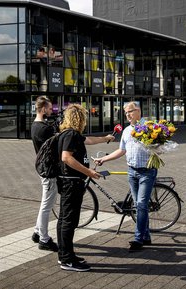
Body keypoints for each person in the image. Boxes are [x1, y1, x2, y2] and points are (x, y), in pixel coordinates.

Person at [56, 104, 114, 272]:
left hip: (70, 182)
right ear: (80, 119)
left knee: (66, 219)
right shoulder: (71, 135)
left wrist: (105, 138)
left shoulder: (69, 134)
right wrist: (88, 171)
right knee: (69, 220)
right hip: (71, 183)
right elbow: (66, 158)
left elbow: (89, 140)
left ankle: (66, 254)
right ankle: (67, 260)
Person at [95, 101, 156, 252]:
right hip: (132, 171)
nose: (128, 115)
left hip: (147, 172)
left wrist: (157, 147)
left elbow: (159, 146)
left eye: (130, 111)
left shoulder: (149, 127)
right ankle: (146, 236)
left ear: (138, 111)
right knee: (138, 205)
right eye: (126, 113)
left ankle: (138, 239)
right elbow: (121, 151)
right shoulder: (127, 131)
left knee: (141, 205)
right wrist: (104, 159)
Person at [30, 96, 59, 252]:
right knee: (46, 206)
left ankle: (37, 231)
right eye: (49, 108)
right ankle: (44, 239)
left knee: (45, 203)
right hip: (49, 170)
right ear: (42, 109)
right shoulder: (46, 128)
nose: (51, 110)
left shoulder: (34, 126)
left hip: (42, 167)